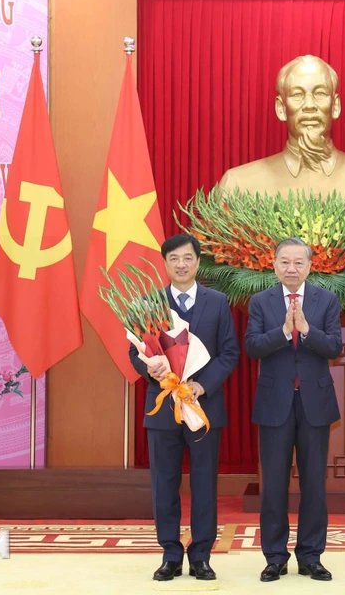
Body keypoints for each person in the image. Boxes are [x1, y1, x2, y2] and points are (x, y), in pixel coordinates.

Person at [128, 233, 239, 582]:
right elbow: (135, 352)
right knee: (165, 482)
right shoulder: (149, 303)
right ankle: (170, 554)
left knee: (205, 482)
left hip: (202, 407)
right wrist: (149, 367)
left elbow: (229, 353)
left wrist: (201, 384)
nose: (181, 264)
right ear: (165, 263)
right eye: (174, 258)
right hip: (163, 408)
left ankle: (201, 554)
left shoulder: (217, 302)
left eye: (187, 258)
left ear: (198, 262)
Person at [246, 237, 343, 581]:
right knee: (273, 484)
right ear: (273, 265)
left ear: (309, 266)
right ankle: (275, 556)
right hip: (275, 405)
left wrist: (306, 330)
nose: (291, 268)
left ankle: (311, 556)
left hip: (315, 404)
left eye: (298, 262)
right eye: (284, 262)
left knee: (314, 483)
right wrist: (285, 332)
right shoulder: (261, 302)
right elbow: (252, 347)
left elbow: (334, 345)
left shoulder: (326, 300)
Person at [218, 55, 345, 196]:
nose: (309, 105)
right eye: (297, 94)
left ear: (335, 106)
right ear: (281, 108)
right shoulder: (237, 186)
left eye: (320, 93)